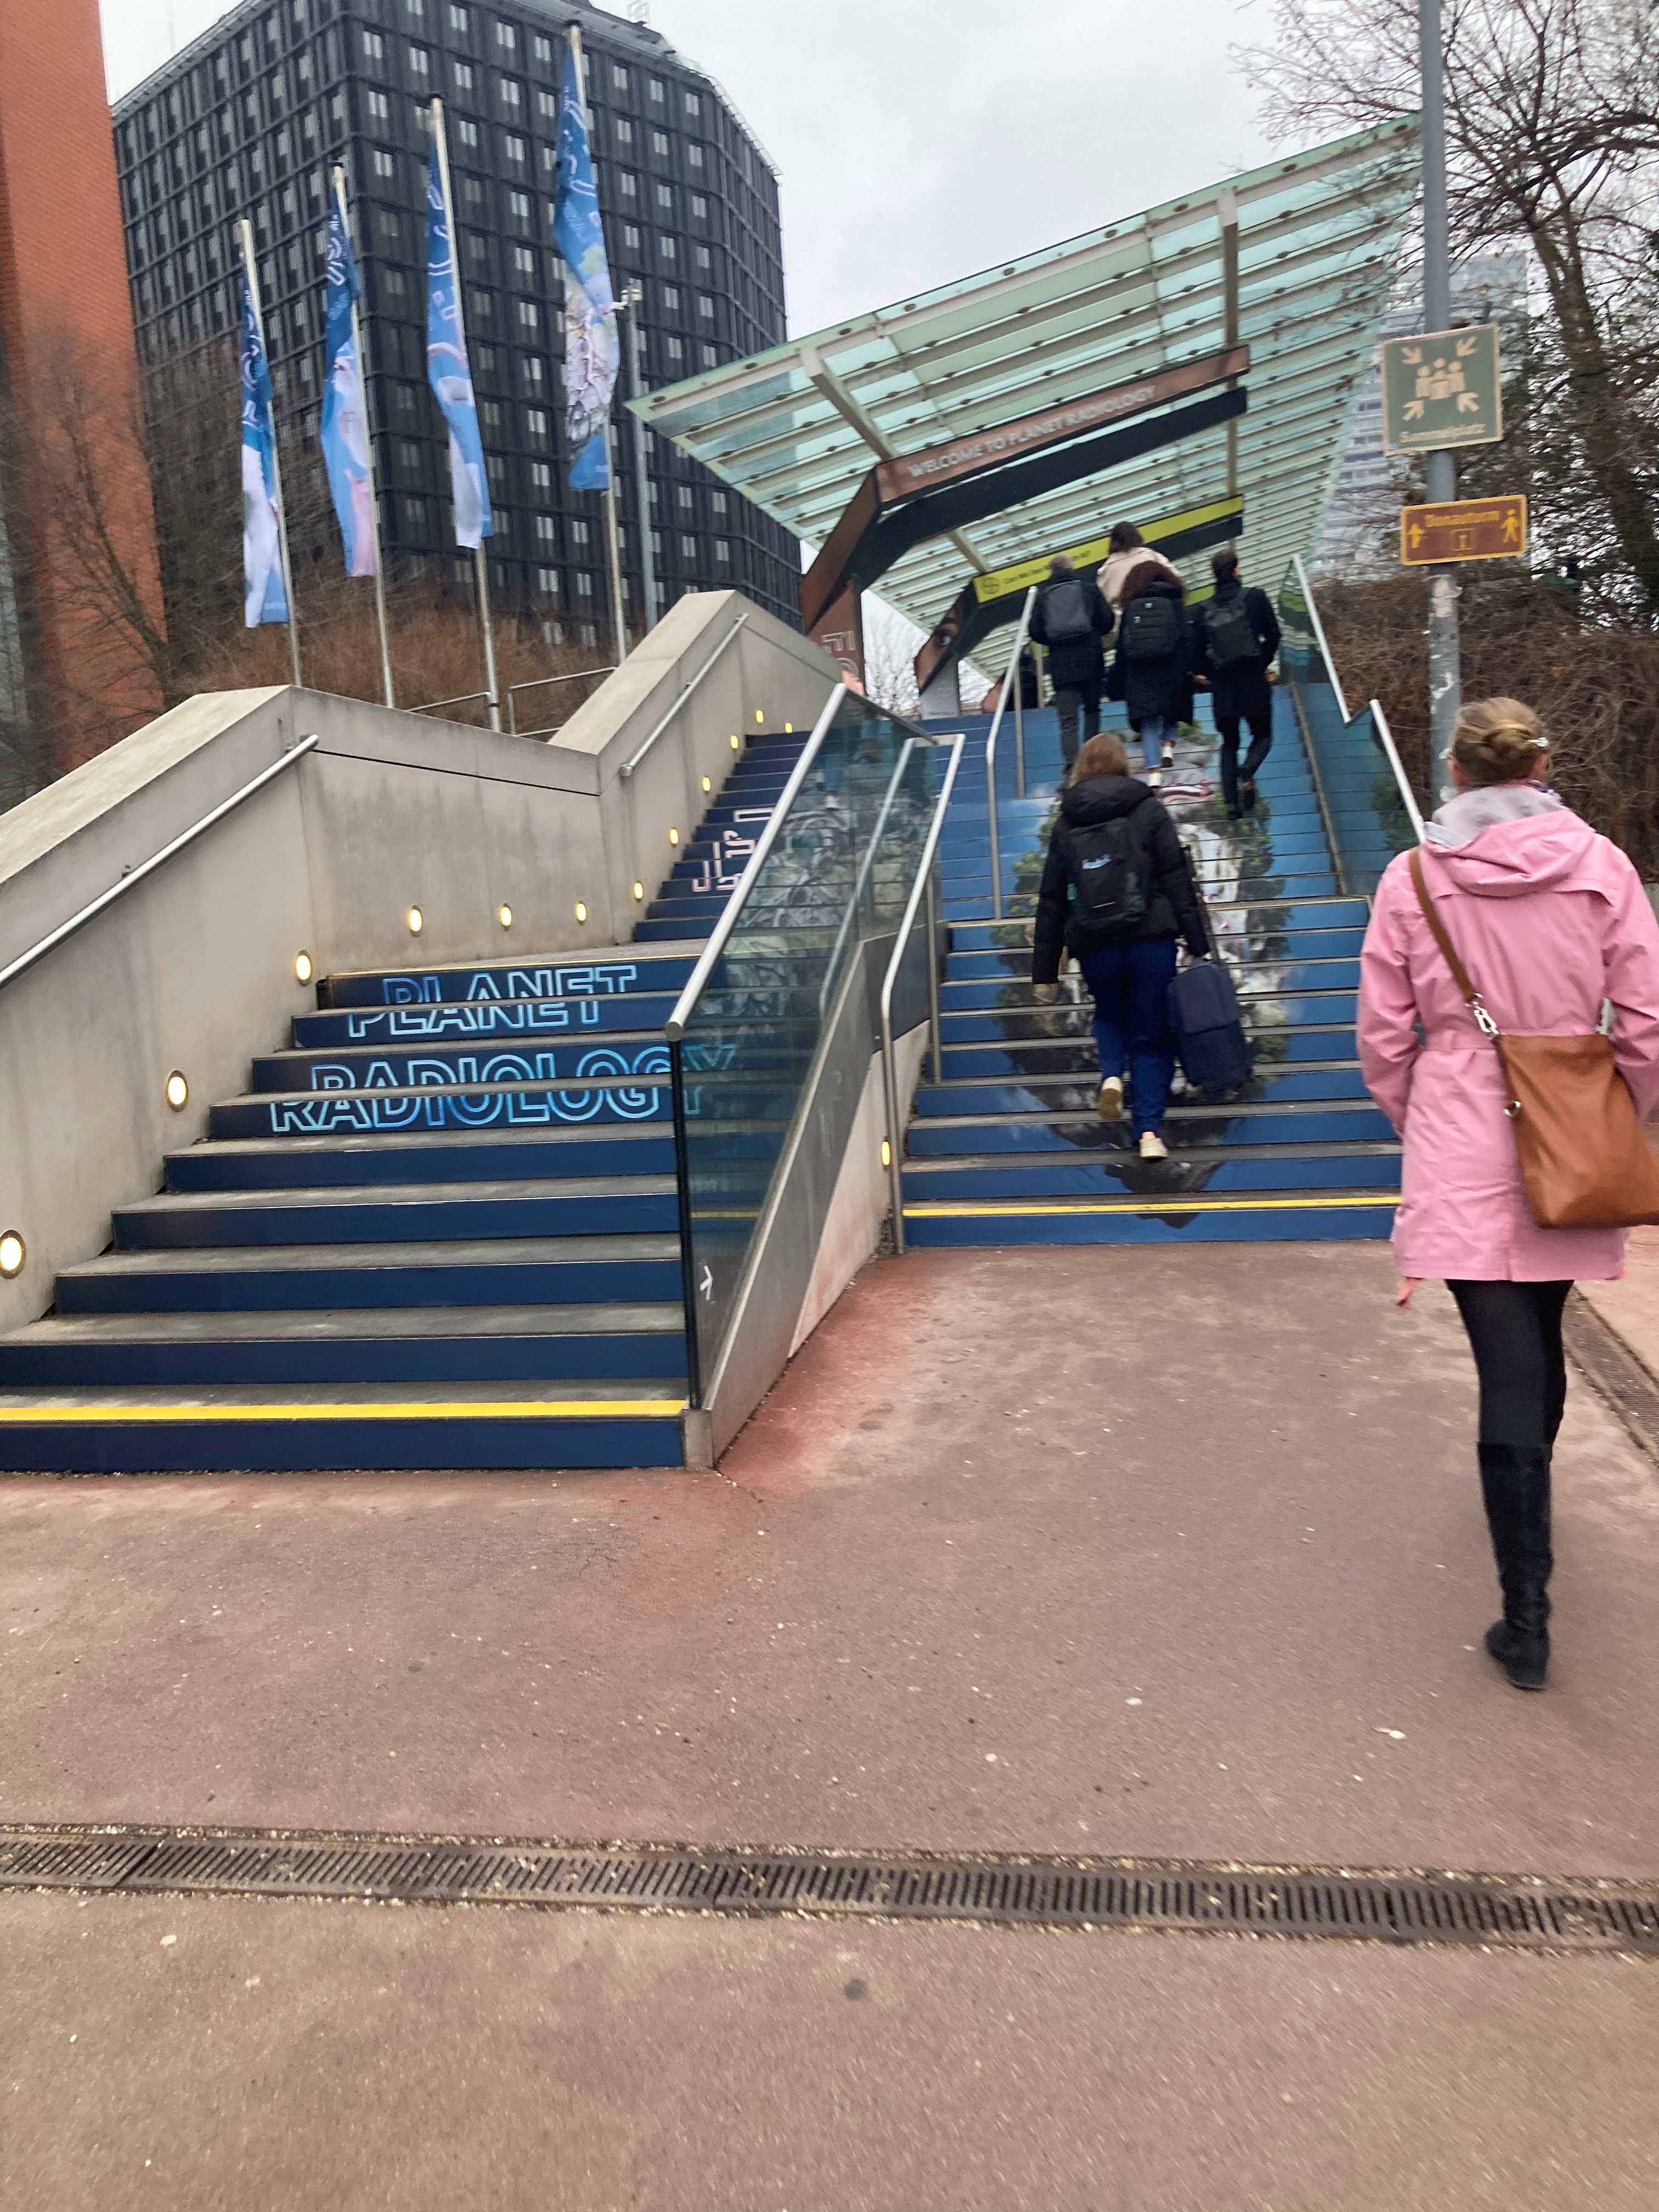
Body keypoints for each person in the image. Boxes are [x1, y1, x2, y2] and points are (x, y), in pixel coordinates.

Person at [1357, 697, 1659, 1691]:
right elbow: (1648, 1019)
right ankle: (1527, 1506)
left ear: (1451, 773)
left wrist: (1427, 1123)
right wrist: (1617, 1115)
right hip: (1573, 1120)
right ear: (1536, 763)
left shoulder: (1409, 881)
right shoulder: (1602, 866)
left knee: (1504, 1363)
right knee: (1539, 1336)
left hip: (1456, 1131)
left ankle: (1524, 1615)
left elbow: (1381, 1039)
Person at [1031, 730, 1208, 1160]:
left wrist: (1045, 971)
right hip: (1151, 940)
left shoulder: (1066, 821)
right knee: (1150, 1035)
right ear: (1122, 764)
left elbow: (1052, 898)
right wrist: (1198, 940)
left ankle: (1112, 1075)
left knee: (1110, 1015)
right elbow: (1176, 878)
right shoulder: (1147, 808)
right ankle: (1148, 1134)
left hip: (1095, 943)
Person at [1190, 548, 1282, 817]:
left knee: (1229, 742)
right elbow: (1274, 635)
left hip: (1225, 686)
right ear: (1237, 569)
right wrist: (1260, 663)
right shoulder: (1255, 598)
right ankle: (1248, 770)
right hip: (1253, 679)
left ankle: (1231, 805)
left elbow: (1194, 655)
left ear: (1213, 575)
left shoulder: (1203, 610)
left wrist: (1215, 671)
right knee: (1263, 735)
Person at [1108, 557, 1192, 787]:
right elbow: (1186, 638)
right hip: (1171, 666)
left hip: (1139, 672)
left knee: (1148, 721)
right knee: (1171, 708)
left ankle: (1154, 771)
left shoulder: (1131, 607)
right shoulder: (1174, 603)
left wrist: (1120, 675)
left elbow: (1122, 646)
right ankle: (1168, 746)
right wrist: (1190, 668)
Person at [1028, 554, 1111, 769]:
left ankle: (1072, 766)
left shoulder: (1044, 595)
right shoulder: (1089, 590)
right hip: (1090, 658)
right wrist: (1093, 633)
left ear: (1051, 571)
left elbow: (1035, 630)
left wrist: (1054, 639)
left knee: (1068, 720)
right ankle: (1092, 762)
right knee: (1092, 711)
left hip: (1061, 663)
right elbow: (1107, 621)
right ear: (1072, 568)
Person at [1098, 521, 1180, 612]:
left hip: (1127, 620)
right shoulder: (1151, 556)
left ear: (1113, 541)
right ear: (1137, 536)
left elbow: (1102, 602)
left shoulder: (1107, 569)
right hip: (1161, 612)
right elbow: (1174, 578)